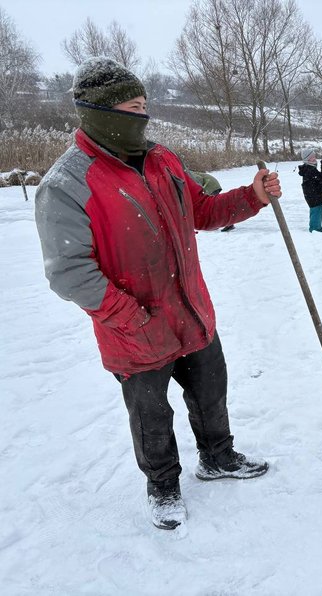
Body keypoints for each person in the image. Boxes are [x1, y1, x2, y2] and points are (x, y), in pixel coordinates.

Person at [33, 57, 282, 531]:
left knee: (211, 395)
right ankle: (163, 486)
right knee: (152, 417)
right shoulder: (66, 184)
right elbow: (68, 272)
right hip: (136, 330)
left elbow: (202, 210)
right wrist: (133, 317)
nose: (142, 116)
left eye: (145, 105)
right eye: (132, 107)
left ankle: (218, 458)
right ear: (99, 112)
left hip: (191, 314)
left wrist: (252, 197)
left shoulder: (162, 160)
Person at [298, 148, 322, 232]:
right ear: (307, 159)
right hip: (314, 195)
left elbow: (317, 180)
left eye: (314, 156)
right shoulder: (310, 169)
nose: (315, 158)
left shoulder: (308, 168)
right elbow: (321, 177)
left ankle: (315, 228)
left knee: (315, 212)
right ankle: (315, 230)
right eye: (312, 157)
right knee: (316, 213)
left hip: (313, 194)